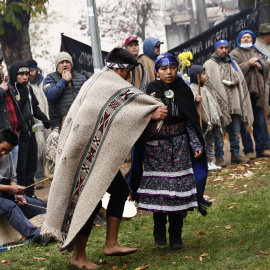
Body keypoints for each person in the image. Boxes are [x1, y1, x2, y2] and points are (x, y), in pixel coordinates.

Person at [41, 48, 168, 269]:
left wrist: (146, 112)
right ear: (121, 69)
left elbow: (118, 112)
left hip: (92, 153)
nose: (129, 76)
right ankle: (78, 256)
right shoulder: (105, 82)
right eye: (128, 71)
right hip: (84, 153)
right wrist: (149, 113)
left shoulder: (99, 79)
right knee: (89, 199)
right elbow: (124, 111)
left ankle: (111, 243)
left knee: (119, 191)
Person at [136, 53, 210, 249]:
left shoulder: (183, 90)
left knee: (178, 192)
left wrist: (195, 144)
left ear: (177, 69)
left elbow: (190, 122)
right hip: (155, 149)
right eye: (163, 68)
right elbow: (139, 118)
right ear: (156, 71)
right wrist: (151, 115)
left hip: (179, 148)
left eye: (173, 68)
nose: (169, 72)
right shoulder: (149, 91)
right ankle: (159, 228)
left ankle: (176, 235)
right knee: (161, 192)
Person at [203, 40, 253, 167]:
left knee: (235, 132)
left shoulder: (233, 63)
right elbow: (208, 85)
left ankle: (236, 154)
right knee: (220, 133)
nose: (224, 50)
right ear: (216, 49)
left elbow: (241, 82)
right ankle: (219, 157)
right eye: (221, 48)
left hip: (235, 105)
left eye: (226, 47)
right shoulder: (209, 65)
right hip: (220, 107)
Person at [0, 128, 52, 245]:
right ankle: (37, 236)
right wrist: (11, 189)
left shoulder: (7, 155)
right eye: (2, 149)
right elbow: (10, 187)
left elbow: (13, 177)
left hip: (4, 194)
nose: (4, 153)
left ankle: (58, 227)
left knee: (36, 205)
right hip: (3, 197)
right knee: (10, 206)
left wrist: (16, 194)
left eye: (8, 151)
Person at [9, 61, 51, 198]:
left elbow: (35, 107)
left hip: (31, 131)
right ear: (14, 75)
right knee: (20, 168)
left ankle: (30, 194)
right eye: (21, 74)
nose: (25, 77)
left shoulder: (28, 89)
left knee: (31, 166)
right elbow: (13, 111)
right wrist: (19, 101)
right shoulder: (10, 89)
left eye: (27, 74)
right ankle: (21, 196)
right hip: (19, 135)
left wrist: (44, 118)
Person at [230, 30, 270, 159]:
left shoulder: (258, 52)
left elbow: (267, 64)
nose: (246, 39)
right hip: (243, 94)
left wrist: (260, 65)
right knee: (245, 123)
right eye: (243, 38)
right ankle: (248, 151)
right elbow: (233, 70)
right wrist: (248, 64)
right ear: (239, 40)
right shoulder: (234, 54)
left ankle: (261, 148)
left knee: (260, 122)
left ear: (252, 40)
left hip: (258, 93)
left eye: (248, 37)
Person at [189, 65, 223, 171]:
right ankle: (203, 163)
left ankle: (210, 161)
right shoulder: (191, 88)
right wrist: (195, 99)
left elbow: (211, 103)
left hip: (210, 123)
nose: (206, 76)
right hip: (201, 122)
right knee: (202, 143)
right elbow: (188, 103)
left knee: (209, 142)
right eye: (203, 74)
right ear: (196, 76)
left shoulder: (205, 88)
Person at [43, 51, 87, 128]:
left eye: (67, 62)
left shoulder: (81, 77)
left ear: (71, 65)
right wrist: (64, 81)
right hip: (60, 124)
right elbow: (50, 95)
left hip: (80, 121)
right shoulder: (50, 78)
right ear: (57, 66)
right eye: (61, 62)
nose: (65, 64)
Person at [26, 59, 50, 190]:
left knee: (50, 147)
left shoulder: (45, 83)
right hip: (35, 121)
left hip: (48, 120)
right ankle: (39, 177)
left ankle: (51, 175)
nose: (30, 73)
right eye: (28, 71)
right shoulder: (27, 87)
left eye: (32, 70)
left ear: (37, 70)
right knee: (38, 148)